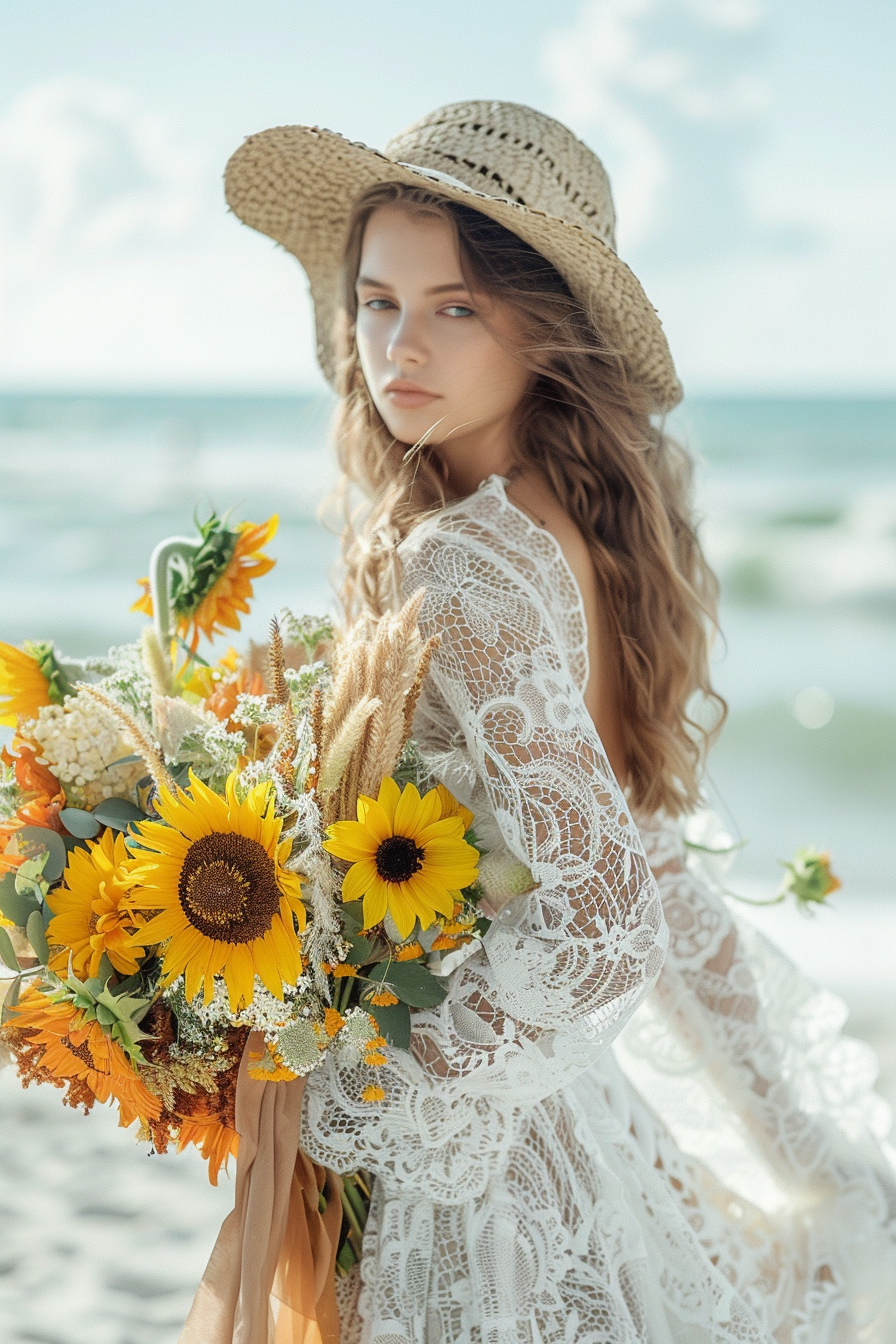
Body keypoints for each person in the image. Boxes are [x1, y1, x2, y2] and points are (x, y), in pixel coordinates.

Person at [223, 101, 896, 1343]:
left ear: (544, 327)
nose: (398, 345)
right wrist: (809, 1153)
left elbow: (601, 915)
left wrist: (366, 1097)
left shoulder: (461, 564)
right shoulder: (564, 529)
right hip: (565, 1135)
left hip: (471, 1175)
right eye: (376, 300)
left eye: (454, 306)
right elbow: (645, 865)